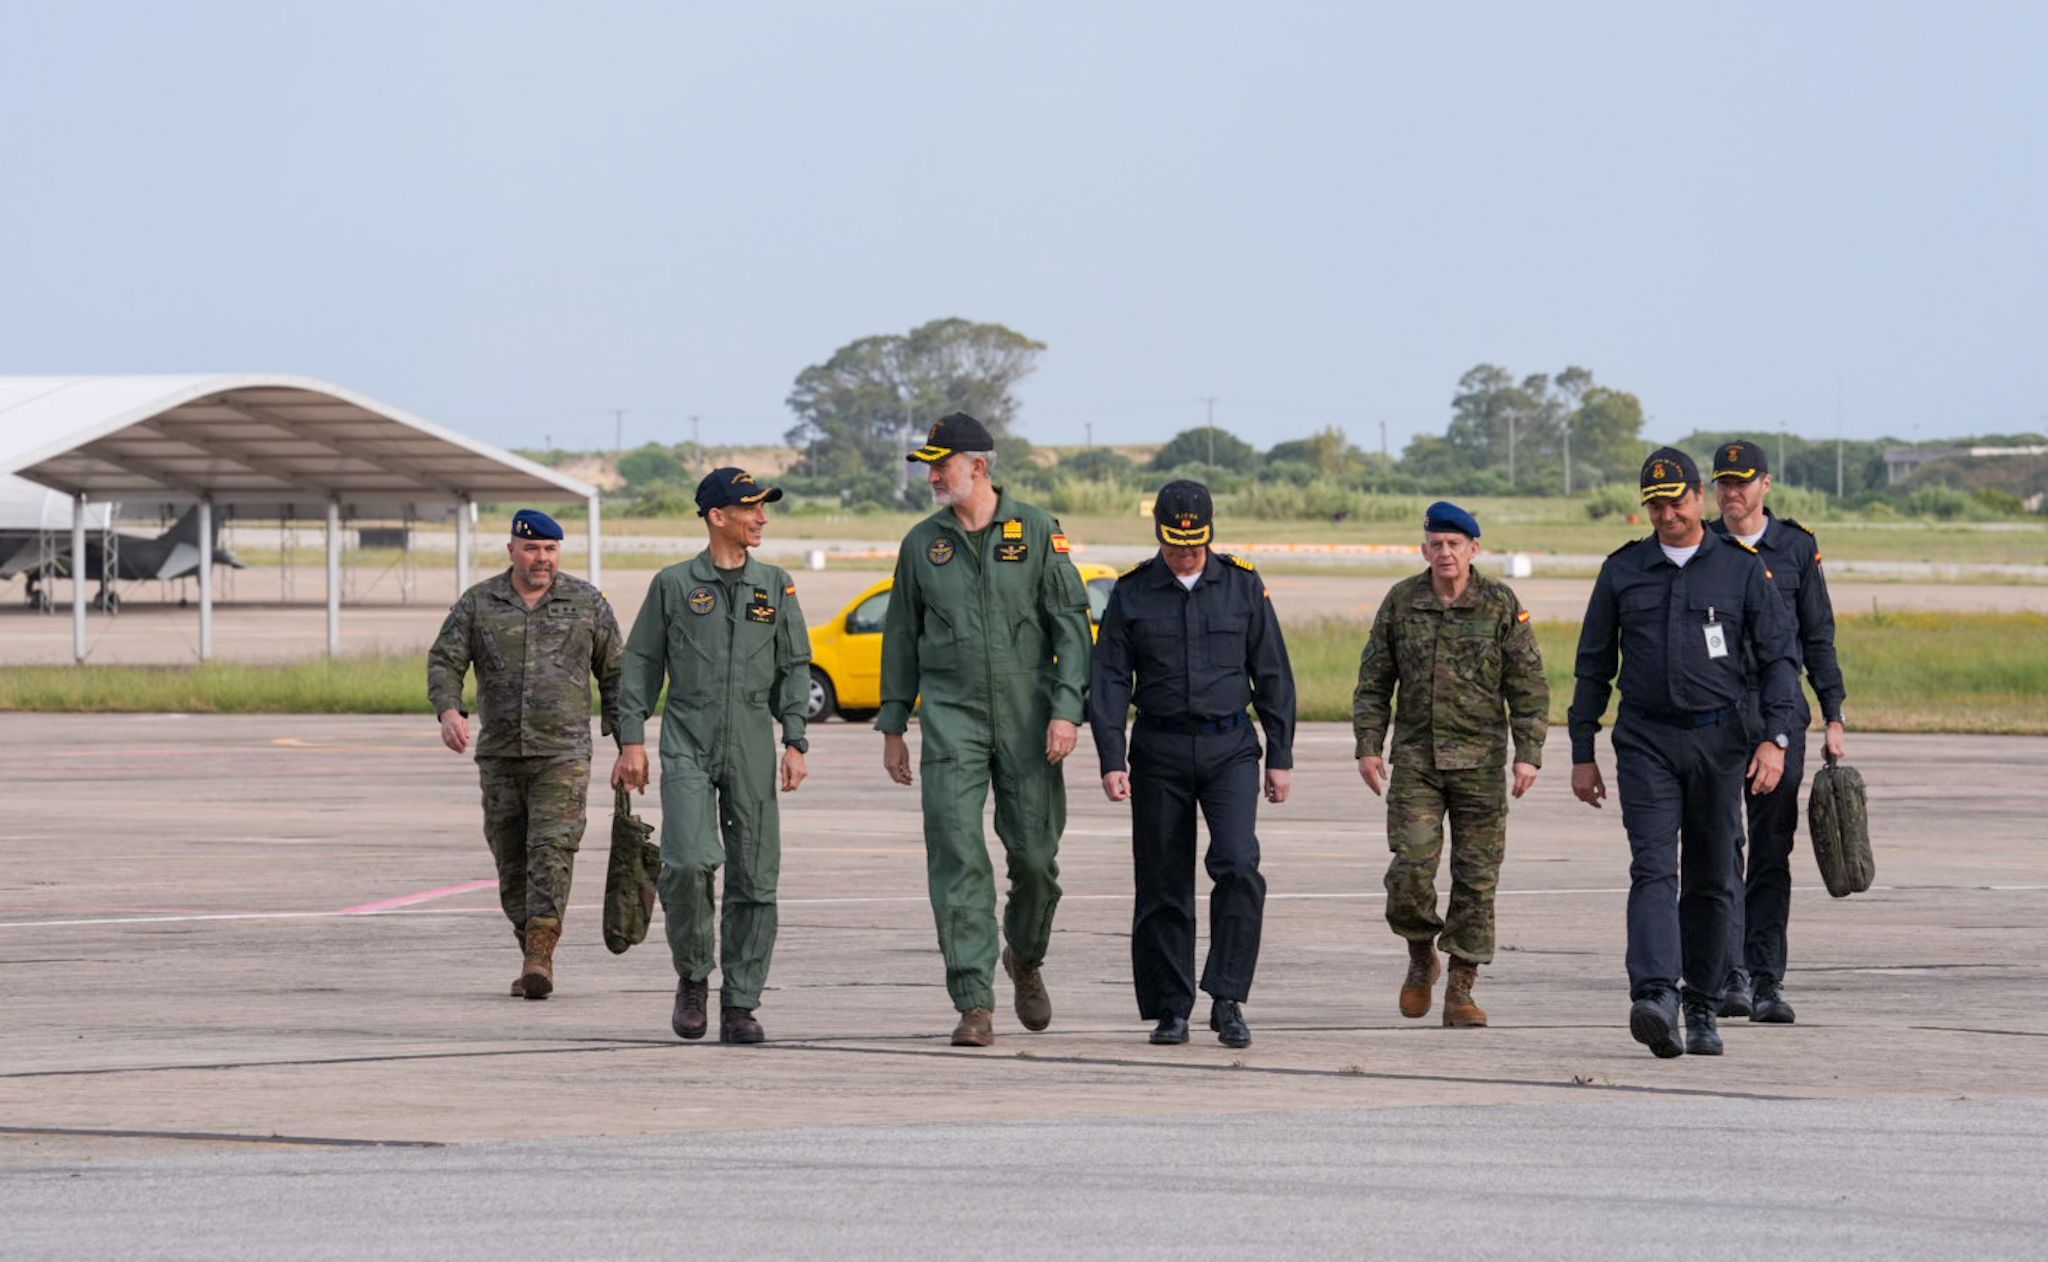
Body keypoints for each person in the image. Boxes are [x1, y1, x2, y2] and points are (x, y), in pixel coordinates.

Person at [1568, 448, 1800, 1058]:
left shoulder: (1741, 570)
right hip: (1645, 740)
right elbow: (1594, 664)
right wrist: (1581, 748)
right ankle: (1653, 995)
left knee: (1711, 877)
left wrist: (1776, 739)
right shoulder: (1623, 571)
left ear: (1698, 498)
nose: (1666, 513)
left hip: (1721, 742)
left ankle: (1701, 1004)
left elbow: (1780, 659)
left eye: (1675, 500)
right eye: (1655, 503)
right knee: (1652, 867)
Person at [877, 413, 1094, 1048]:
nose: (931, 475)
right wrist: (894, 724)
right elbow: (900, 638)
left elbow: (1071, 627)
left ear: (979, 466)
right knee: (956, 854)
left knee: (1034, 859)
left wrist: (1066, 709)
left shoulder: (1037, 530)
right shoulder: (922, 544)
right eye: (927, 464)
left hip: (1030, 718)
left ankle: (1024, 957)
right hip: (951, 719)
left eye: (941, 464)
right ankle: (974, 1000)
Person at [1088, 480, 1296, 1048]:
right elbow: (1108, 680)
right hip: (1159, 749)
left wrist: (1281, 756)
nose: (1186, 553)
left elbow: (1273, 674)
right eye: (1176, 544)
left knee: (1237, 866)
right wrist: (1111, 757)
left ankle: (1227, 998)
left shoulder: (1244, 585)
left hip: (1230, 748)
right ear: (1159, 532)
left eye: (1196, 543)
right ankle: (1170, 1008)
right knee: (1162, 882)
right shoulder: (1131, 593)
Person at [614, 468, 811, 1045]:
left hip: (751, 734)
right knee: (688, 861)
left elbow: (794, 665)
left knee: (755, 873)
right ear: (717, 516)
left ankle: (741, 1004)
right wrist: (631, 738)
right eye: (751, 508)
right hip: (688, 736)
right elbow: (643, 663)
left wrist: (795, 739)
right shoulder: (674, 585)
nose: (762, 518)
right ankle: (694, 978)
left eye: (764, 508)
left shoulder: (775, 584)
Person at [1353, 501, 1548, 1027]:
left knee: (1477, 879)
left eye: (1455, 544)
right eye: (1436, 544)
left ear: (1473, 550)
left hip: (1481, 763)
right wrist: (1368, 744)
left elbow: (1528, 685)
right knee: (1411, 869)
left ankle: (1461, 987)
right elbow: (1374, 681)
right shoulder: (1401, 602)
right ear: (1424, 549)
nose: (1445, 553)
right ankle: (1421, 955)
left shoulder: (1500, 604)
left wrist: (1528, 755)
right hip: (1417, 760)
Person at [427, 508, 623, 1000]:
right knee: (512, 860)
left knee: (551, 852)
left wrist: (629, 745)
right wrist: (450, 710)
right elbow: (446, 659)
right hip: (500, 756)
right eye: (532, 549)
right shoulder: (479, 603)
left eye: (551, 549)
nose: (542, 559)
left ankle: (540, 957)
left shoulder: (587, 603)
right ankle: (531, 947)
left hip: (564, 755)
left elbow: (617, 676)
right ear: (512, 549)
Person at [1708, 440, 1846, 1024]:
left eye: (1742, 482)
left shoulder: (1795, 546)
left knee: (1769, 850)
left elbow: (1818, 635)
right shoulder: (1702, 546)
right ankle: (1727, 973)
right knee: (1720, 848)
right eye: (1723, 483)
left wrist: (1833, 712)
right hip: (1715, 715)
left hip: (1779, 714)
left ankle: (1766, 977)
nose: (1732, 492)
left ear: (1765, 484)